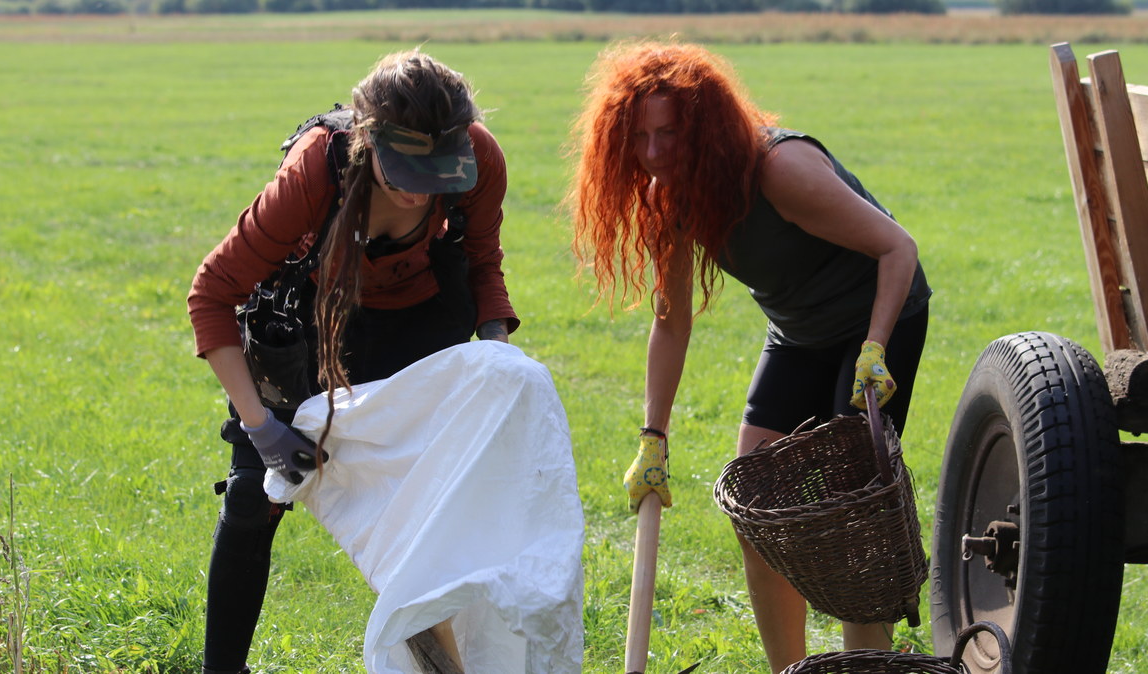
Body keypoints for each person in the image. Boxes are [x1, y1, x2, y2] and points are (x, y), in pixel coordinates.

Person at [567, 40, 931, 673]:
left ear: (704, 130)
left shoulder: (779, 170)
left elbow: (898, 248)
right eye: (640, 136)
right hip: (797, 332)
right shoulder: (674, 197)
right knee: (753, 509)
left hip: (875, 318)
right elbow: (671, 323)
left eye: (670, 133)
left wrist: (875, 348)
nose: (653, 154)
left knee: (851, 514)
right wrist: (653, 438)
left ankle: (867, 665)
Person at [187, 49, 517, 674]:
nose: (420, 192)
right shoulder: (317, 165)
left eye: (435, 173)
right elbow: (211, 294)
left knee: (427, 512)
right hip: (309, 321)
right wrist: (262, 430)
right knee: (252, 501)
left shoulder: (479, 158)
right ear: (367, 139)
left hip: (420, 319)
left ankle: (444, 667)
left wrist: (500, 365)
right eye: (403, 172)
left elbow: (483, 267)